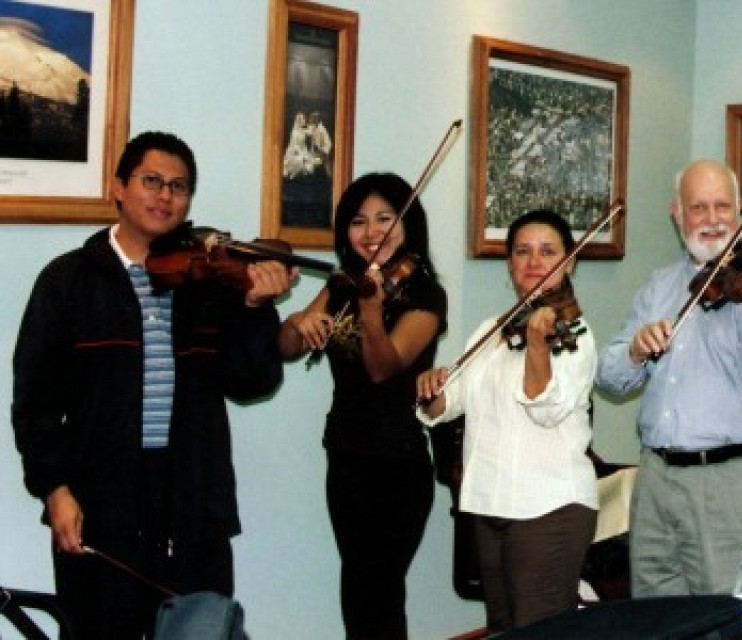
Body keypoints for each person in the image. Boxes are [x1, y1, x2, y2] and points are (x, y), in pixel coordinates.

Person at [11, 131, 294, 637]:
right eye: (152, 181)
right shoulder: (67, 281)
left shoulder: (208, 285)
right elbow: (33, 403)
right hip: (103, 500)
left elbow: (252, 381)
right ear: (119, 187)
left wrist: (255, 309)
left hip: (192, 497)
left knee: (200, 629)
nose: (165, 196)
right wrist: (54, 489)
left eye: (179, 187)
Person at [595, 158, 742, 596]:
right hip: (655, 479)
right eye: (698, 207)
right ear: (677, 214)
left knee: (728, 618)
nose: (711, 220)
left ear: (739, 212)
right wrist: (633, 349)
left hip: (729, 483)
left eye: (722, 207)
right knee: (657, 618)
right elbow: (608, 378)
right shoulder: (659, 287)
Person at [278, 173, 447, 639]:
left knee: (380, 592)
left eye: (385, 218)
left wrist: (370, 310)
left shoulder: (426, 294)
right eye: (358, 221)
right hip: (346, 456)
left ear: (407, 223)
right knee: (358, 589)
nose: (371, 231)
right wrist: (299, 321)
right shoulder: (343, 283)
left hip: (398, 463)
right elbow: (286, 347)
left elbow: (383, 366)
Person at [416, 210, 597, 633]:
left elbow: (546, 407)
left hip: (549, 507)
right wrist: (432, 388)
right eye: (523, 252)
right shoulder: (491, 330)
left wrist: (537, 348)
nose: (534, 262)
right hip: (489, 504)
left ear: (569, 261)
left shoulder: (577, 334)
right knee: (501, 628)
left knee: (538, 630)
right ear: (509, 263)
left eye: (548, 251)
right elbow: (451, 402)